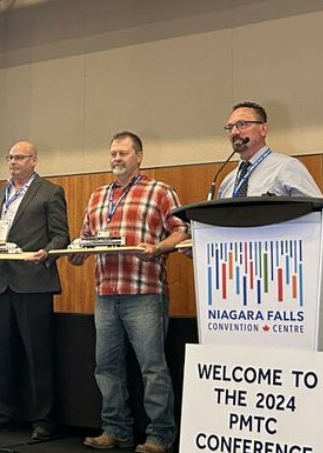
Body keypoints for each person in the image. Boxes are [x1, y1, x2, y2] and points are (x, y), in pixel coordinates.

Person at [69, 132, 188, 453]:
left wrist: (158, 248)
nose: (116, 159)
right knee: (106, 367)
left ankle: (160, 436)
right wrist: (77, 252)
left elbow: (182, 230)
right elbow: (85, 237)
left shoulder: (159, 191)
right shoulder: (97, 196)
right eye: (112, 154)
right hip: (105, 292)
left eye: (123, 153)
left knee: (152, 367)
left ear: (139, 157)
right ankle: (116, 429)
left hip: (145, 292)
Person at [0, 141, 69, 441]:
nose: (13, 162)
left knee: (38, 354)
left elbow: (61, 235)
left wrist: (47, 253)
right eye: (9, 157)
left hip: (34, 281)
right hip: (3, 281)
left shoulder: (49, 192)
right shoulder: (0, 194)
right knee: (3, 351)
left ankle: (44, 421)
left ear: (34, 160)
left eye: (19, 157)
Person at [219, 101, 322, 198]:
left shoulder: (287, 168)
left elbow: (316, 211)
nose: (234, 132)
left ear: (263, 129)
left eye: (242, 124)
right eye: (229, 127)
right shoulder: (228, 182)